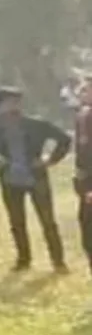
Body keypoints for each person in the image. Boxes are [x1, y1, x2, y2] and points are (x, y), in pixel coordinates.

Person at [0, 87, 70, 273]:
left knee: (48, 221)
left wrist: (50, 160)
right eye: (9, 102)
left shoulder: (36, 124)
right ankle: (24, 259)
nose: (14, 107)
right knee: (17, 222)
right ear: (0, 105)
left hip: (36, 178)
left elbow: (64, 140)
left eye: (17, 102)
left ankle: (58, 261)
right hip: (10, 179)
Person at [73, 79, 92, 275]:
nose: (82, 93)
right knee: (87, 229)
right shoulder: (83, 115)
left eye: (87, 90)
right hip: (85, 181)